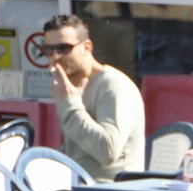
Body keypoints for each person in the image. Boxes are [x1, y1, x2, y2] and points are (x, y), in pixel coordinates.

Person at [44, 14, 144, 182]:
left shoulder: (114, 86)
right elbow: (78, 152)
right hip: (76, 187)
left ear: (87, 47)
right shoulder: (71, 87)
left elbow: (108, 151)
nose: (55, 56)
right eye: (49, 50)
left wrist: (70, 106)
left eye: (64, 48)